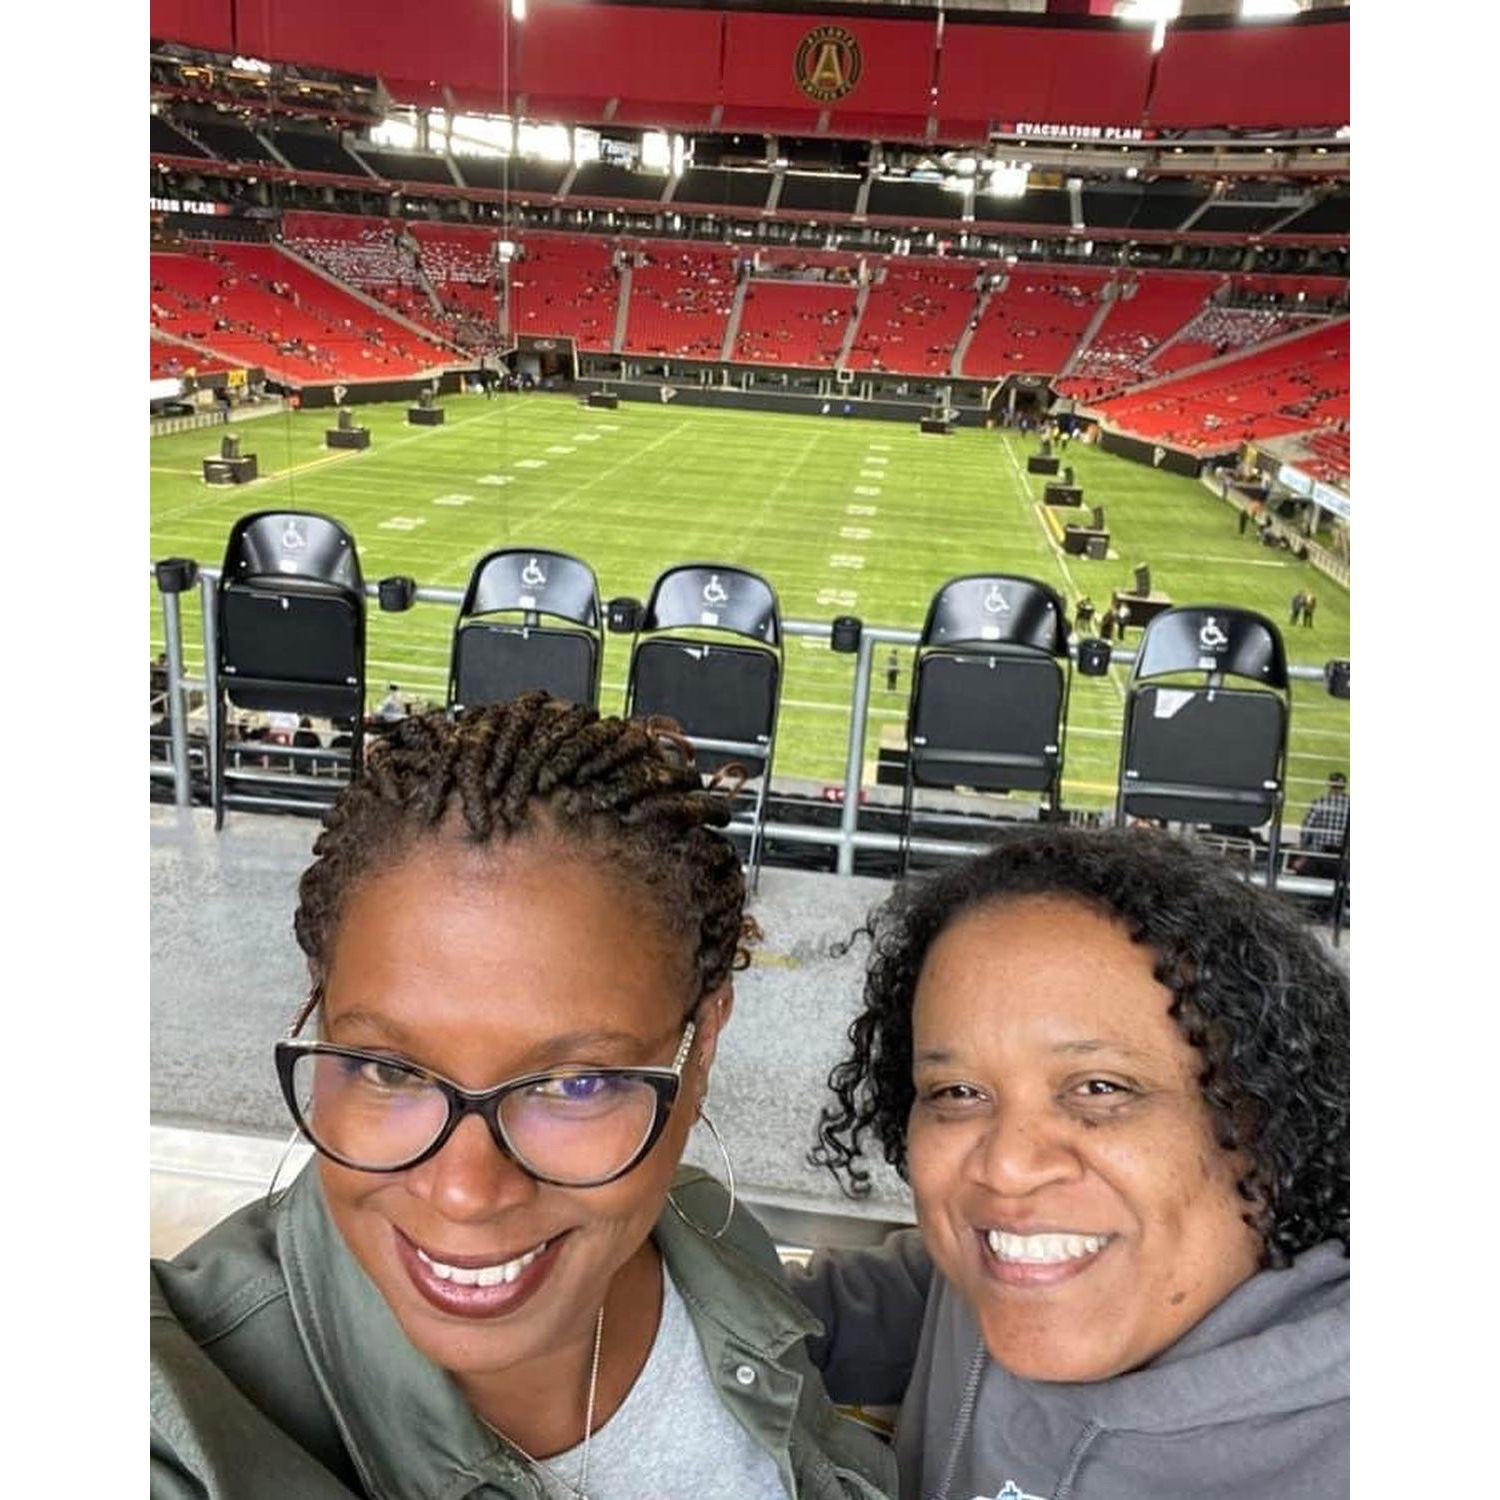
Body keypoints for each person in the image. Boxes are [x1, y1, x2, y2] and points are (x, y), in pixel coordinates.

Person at [152, 696, 895, 1500]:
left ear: (702, 1041)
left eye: (574, 1084)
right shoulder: (182, 1407)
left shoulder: (701, 1237)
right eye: (390, 1069)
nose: (467, 1191)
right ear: (318, 1015)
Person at [793, 826, 1348, 1500]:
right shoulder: (1008, 1267)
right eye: (957, 1092)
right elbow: (886, 1303)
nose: (1006, 1167)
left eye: (1101, 1088)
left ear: (1265, 1115)